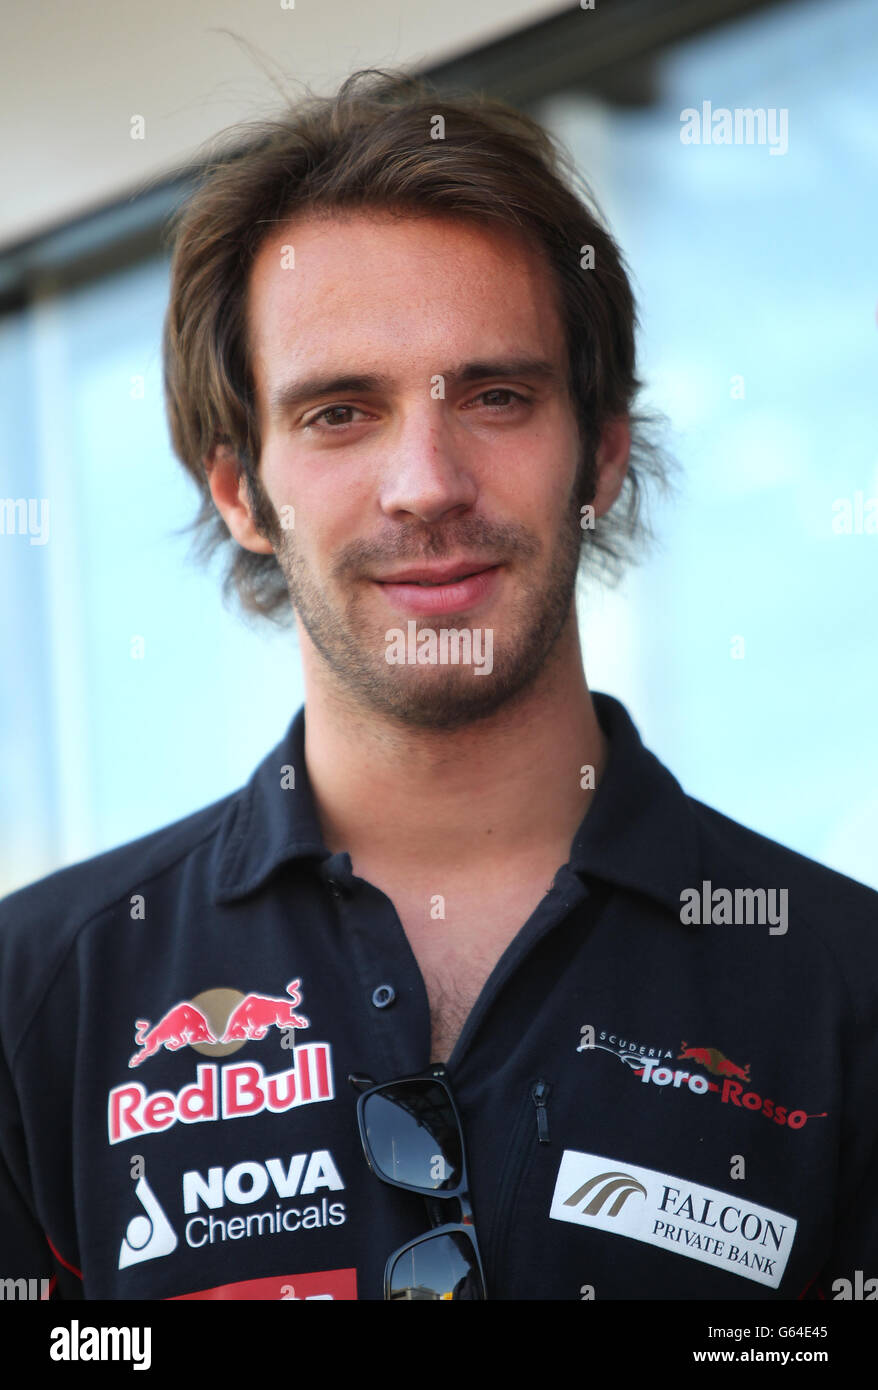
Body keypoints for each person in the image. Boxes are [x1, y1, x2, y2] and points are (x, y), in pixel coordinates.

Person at [1, 68, 875, 1302]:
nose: (425, 481)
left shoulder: (842, 989)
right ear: (241, 493)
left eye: (496, 396)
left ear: (603, 459)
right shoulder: (39, 1001)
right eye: (340, 412)